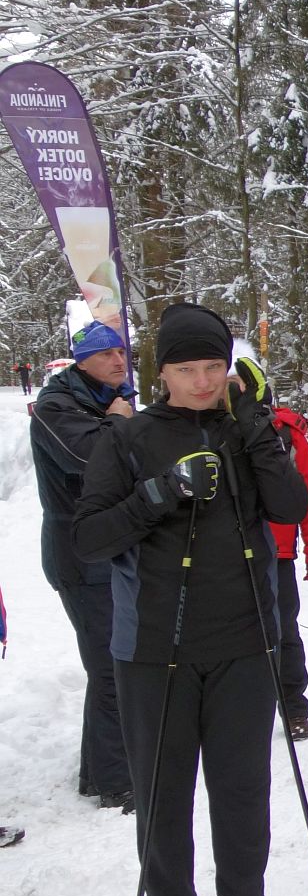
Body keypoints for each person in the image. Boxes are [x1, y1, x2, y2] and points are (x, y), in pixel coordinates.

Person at [73, 302, 308, 896]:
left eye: (214, 367)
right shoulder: (127, 439)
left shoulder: (246, 431)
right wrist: (159, 493)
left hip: (244, 644)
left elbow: (292, 507)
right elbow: (89, 537)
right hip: (155, 650)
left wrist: (256, 429)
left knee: (243, 795)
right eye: (187, 369)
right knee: (164, 798)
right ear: (162, 373)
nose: (202, 381)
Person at [29, 320, 137, 807]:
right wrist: (119, 421)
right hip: (78, 554)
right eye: (106, 354)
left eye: (121, 352)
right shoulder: (57, 405)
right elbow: (90, 457)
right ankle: (114, 782)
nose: (118, 360)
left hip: (112, 546)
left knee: (116, 662)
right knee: (109, 666)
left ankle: (103, 771)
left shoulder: (110, 399)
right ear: (82, 361)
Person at [253, 364, 308, 739]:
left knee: (283, 630)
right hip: (223, 555)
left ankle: (294, 706)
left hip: (277, 553)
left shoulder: (283, 432)